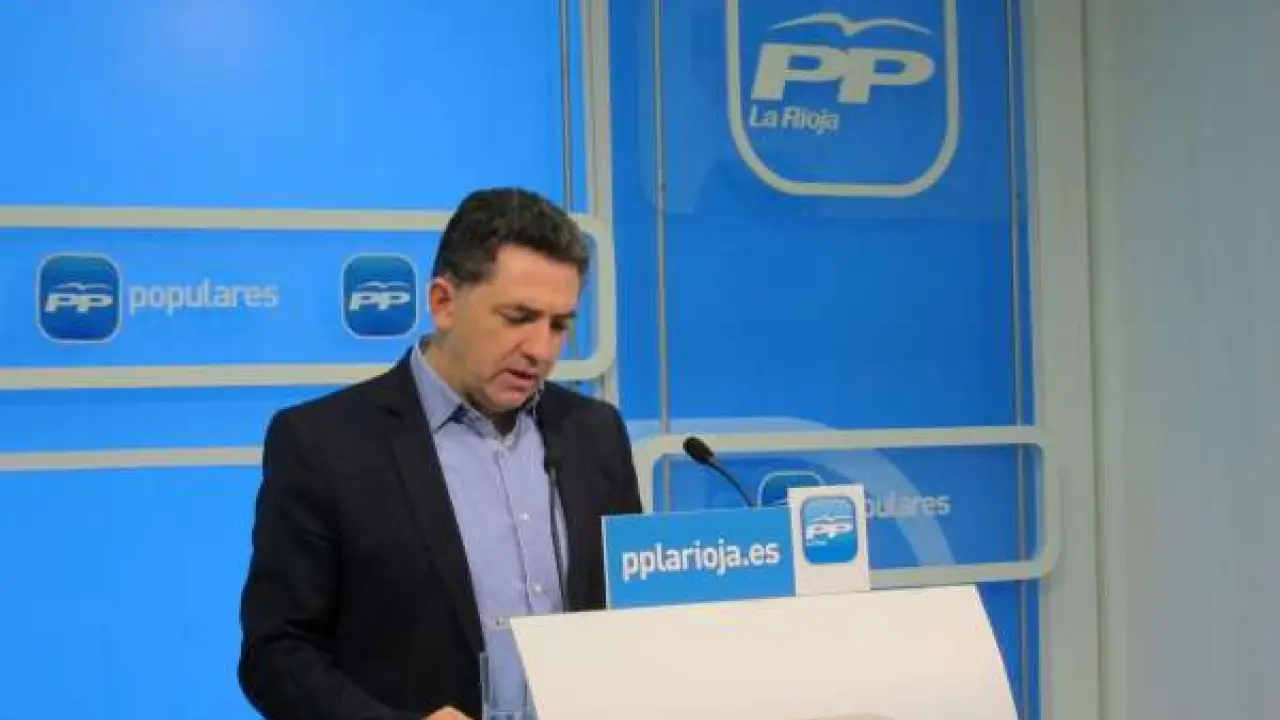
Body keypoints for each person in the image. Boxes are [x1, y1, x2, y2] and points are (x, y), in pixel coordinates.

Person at [237, 187, 643, 720]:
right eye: (518, 317)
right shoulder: (323, 444)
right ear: (443, 302)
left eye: (559, 324)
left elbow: (632, 619)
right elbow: (277, 654)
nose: (541, 349)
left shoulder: (595, 433)